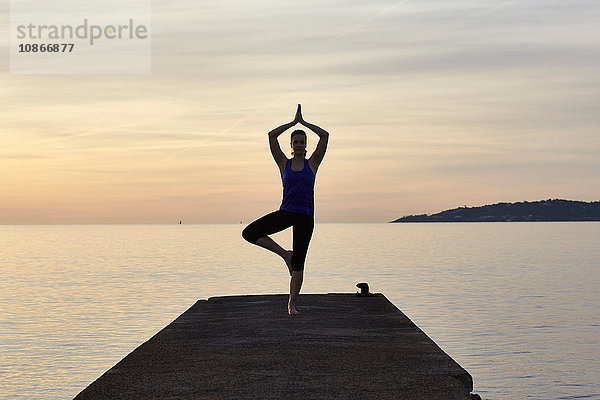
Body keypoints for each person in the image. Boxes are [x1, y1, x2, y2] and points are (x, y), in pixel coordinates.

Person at [242, 104, 329, 315]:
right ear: (291, 144)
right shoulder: (284, 163)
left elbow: (325, 136)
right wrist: (292, 123)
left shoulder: (313, 163)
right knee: (249, 233)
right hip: (286, 211)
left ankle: (291, 305)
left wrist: (304, 123)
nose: (299, 145)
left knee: (299, 263)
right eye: (296, 142)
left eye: (302, 142)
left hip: (306, 216)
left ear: (306, 145)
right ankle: (284, 255)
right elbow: (271, 136)